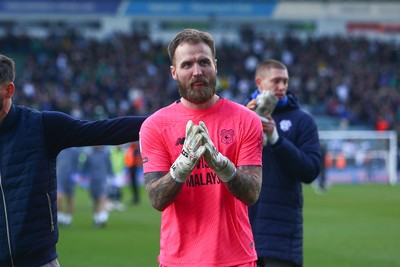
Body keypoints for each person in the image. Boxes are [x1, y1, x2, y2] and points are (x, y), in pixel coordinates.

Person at [0, 54, 146, 267]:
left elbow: (104, 131)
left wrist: (165, 121)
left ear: (8, 90)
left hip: (39, 260)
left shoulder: (41, 126)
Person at [139, 28, 264, 267]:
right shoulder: (154, 126)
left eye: (204, 62)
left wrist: (223, 166)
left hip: (236, 260)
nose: (197, 72)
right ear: (174, 72)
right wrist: (182, 166)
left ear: (215, 65)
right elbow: (157, 199)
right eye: (187, 65)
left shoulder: (246, 120)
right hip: (179, 261)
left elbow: (252, 194)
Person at [246, 59, 322, 267]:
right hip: (243, 233)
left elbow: (311, 170)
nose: (282, 87)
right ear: (259, 83)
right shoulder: (241, 116)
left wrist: (276, 139)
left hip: (281, 236)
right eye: (276, 81)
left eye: (285, 81)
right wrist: (244, 126)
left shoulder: (302, 121)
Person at [83, 146, 113, 227]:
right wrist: (83, 177)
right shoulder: (89, 154)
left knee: (102, 197)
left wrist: (111, 177)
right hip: (93, 180)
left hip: (102, 179)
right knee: (95, 200)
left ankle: (102, 218)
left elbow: (109, 165)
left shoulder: (105, 154)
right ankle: (96, 218)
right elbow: (85, 167)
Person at [56, 147, 82, 227]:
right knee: (59, 197)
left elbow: (77, 164)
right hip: (60, 176)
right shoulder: (59, 150)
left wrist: (76, 175)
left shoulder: (75, 151)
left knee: (70, 198)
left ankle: (68, 218)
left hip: (71, 177)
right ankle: (59, 216)